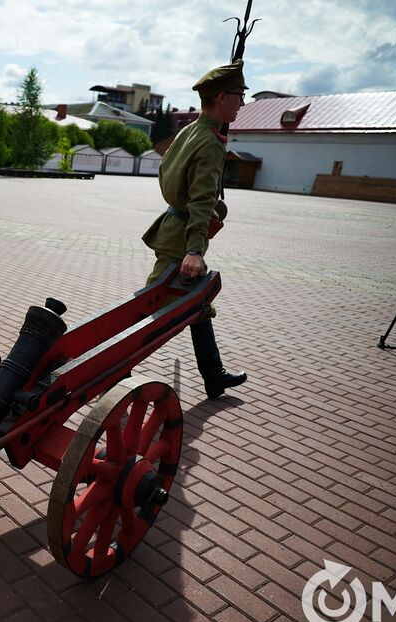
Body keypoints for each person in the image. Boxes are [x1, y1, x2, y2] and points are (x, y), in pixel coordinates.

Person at [142, 60, 249, 399]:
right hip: (182, 239)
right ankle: (111, 370)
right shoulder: (210, 142)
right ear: (221, 98)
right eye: (239, 95)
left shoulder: (190, 131)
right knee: (149, 308)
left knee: (198, 304)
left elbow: (165, 174)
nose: (242, 103)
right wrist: (195, 249)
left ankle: (214, 376)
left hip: (172, 227)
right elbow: (202, 200)